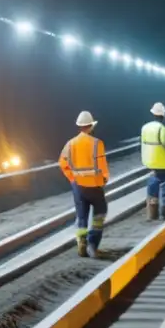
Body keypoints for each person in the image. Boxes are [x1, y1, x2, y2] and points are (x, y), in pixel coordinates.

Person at [58, 110, 109, 258]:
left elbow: (62, 163)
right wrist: (104, 180)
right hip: (94, 186)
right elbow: (102, 166)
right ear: (91, 126)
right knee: (100, 213)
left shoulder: (70, 144)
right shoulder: (97, 143)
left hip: (78, 186)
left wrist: (72, 178)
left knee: (81, 216)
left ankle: (81, 244)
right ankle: (93, 245)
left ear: (79, 126)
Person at [141, 102, 165, 221]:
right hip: (163, 162)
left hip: (150, 162)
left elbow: (143, 144)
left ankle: (152, 214)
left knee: (153, 185)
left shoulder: (145, 127)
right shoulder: (162, 128)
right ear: (163, 116)